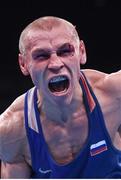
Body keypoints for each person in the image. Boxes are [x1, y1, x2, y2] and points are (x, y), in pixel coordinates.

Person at [0, 16, 121, 179]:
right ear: (24, 64)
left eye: (65, 51)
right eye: (41, 56)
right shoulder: (11, 129)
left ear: (82, 52)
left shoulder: (113, 92)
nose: (56, 64)